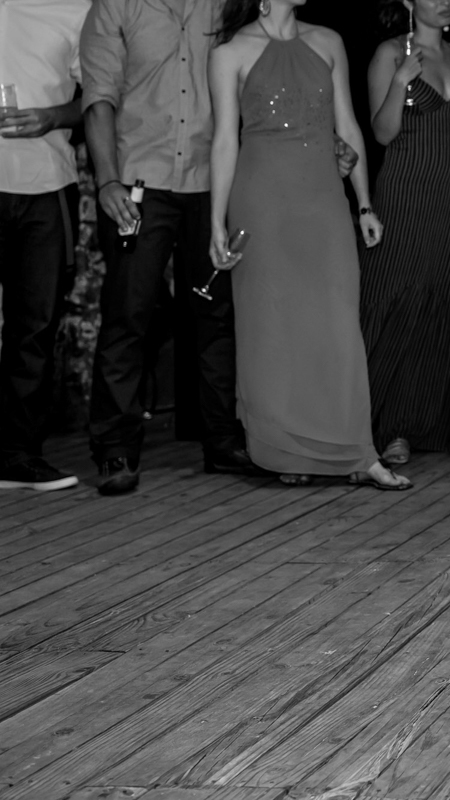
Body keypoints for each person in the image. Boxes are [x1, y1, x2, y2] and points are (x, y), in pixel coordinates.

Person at [207, 0, 409, 490]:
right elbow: (224, 141)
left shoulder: (328, 40)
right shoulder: (230, 53)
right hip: (262, 201)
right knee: (274, 326)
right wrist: (215, 221)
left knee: (338, 321)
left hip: (322, 197)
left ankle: (360, 452)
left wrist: (363, 203)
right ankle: (287, 452)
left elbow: (349, 127)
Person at [80, 0, 254, 495]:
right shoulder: (115, 6)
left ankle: (222, 441)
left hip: (210, 180)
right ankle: (115, 448)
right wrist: (107, 180)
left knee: (215, 315)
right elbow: (98, 98)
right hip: (139, 180)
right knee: (128, 315)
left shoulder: (225, 6)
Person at [359, 0, 450, 465]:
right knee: (401, 303)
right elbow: (382, 133)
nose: (446, 2)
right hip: (406, 193)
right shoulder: (389, 53)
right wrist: (398, 81)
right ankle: (394, 429)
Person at [0, 0, 91, 492]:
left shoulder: (75, 7)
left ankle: (17, 456)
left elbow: (96, 97)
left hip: (46, 184)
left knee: (34, 326)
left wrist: (54, 116)